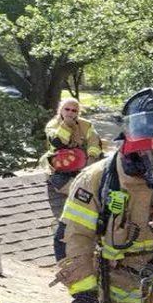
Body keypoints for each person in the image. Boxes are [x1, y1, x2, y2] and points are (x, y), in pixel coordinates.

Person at [55, 88, 153, 303]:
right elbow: (73, 238)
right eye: (146, 153)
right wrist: (83, 293)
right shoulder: (97, 179)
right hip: (118, 278)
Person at [43, 97, 103, 261]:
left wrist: (91, 159)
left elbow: (94, 143)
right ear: (60, 110)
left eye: (74, 110)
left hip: (83, 167)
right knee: (78, 195)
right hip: (60, 170)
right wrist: (67, 125)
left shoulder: (87, 125)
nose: (70, 113)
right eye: (67, 109)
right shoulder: (52, 125)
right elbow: (57, 143)